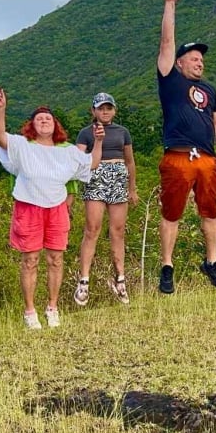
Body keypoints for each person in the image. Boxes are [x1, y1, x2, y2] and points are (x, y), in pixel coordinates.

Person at [0, 87, 102, 329]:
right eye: (39, 118)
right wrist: (1, 109)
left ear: (55, 125)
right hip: (28, 207)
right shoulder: (23, 146)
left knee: (56, 259)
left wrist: (99, 141)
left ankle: (53, 308)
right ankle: (30, 311)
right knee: (30, 260)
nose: (44, 121)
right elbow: (0, 137)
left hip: (57, 209)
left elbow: (92, 163)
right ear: (32, 125)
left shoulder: (68, 152)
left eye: (48, 118)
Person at [155, 0, 216, 294]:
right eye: (194, 58)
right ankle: (167, 266)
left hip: (207, 159)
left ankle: (211, 261)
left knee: (210, 211)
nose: (200, 63)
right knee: (172, 213)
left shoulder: (209, 89)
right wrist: (170, 4)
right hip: (178, 155)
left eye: (202, 59)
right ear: (180, 62)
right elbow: (166, 43)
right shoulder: (171, 80)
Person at [73, 93, 138, 305]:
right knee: (92, 229)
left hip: (118, 177)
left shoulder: (123, 132)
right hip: (96, 176)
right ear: (93, 111)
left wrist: (132, 189)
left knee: (118, 230)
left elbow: (130, 161)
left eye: (108, 108)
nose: (105, 111)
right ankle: (84, 280)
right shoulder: (85, 133)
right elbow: (79, 160)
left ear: (114, 110)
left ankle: (120, 279)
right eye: (101, 108)